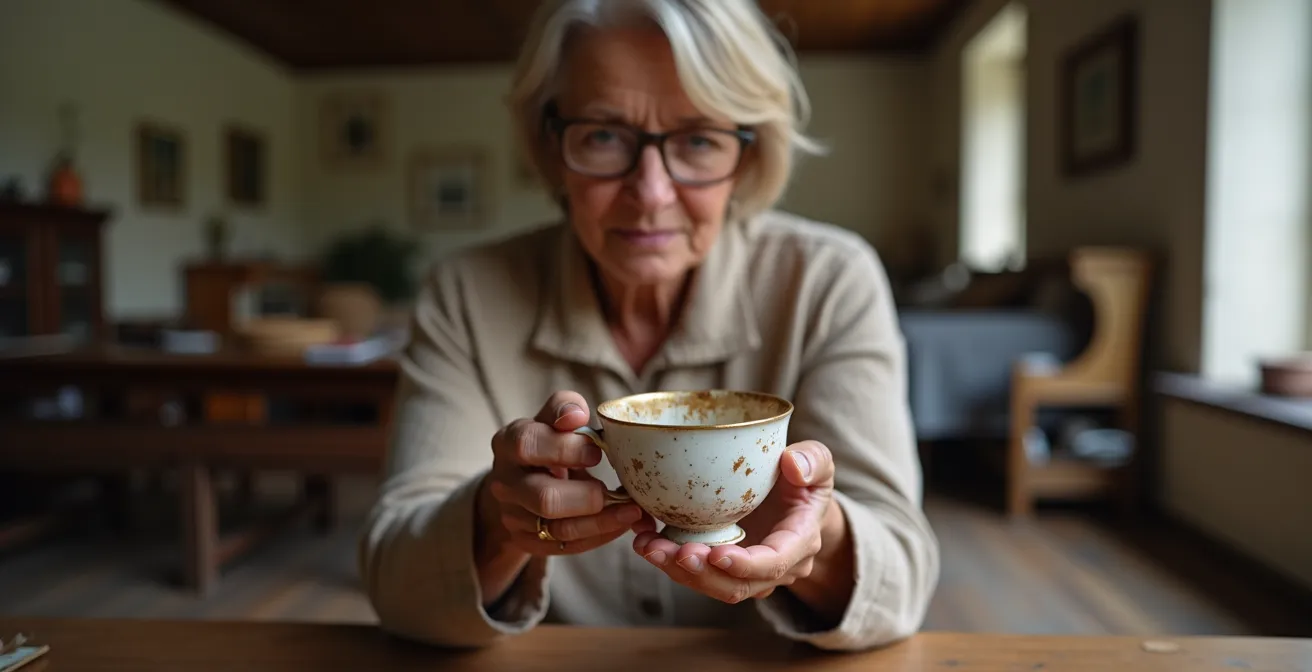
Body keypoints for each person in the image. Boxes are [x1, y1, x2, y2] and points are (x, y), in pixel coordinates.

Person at [358, 0, 939, 652]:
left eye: (697, 140)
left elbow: (904, 577)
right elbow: (393, 580)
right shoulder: (465, 294)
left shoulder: (828, 282)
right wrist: (498, 522)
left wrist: (819, 536)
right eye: (605, 136)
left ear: (746, 157)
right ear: (553, 148)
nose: (652, 192)